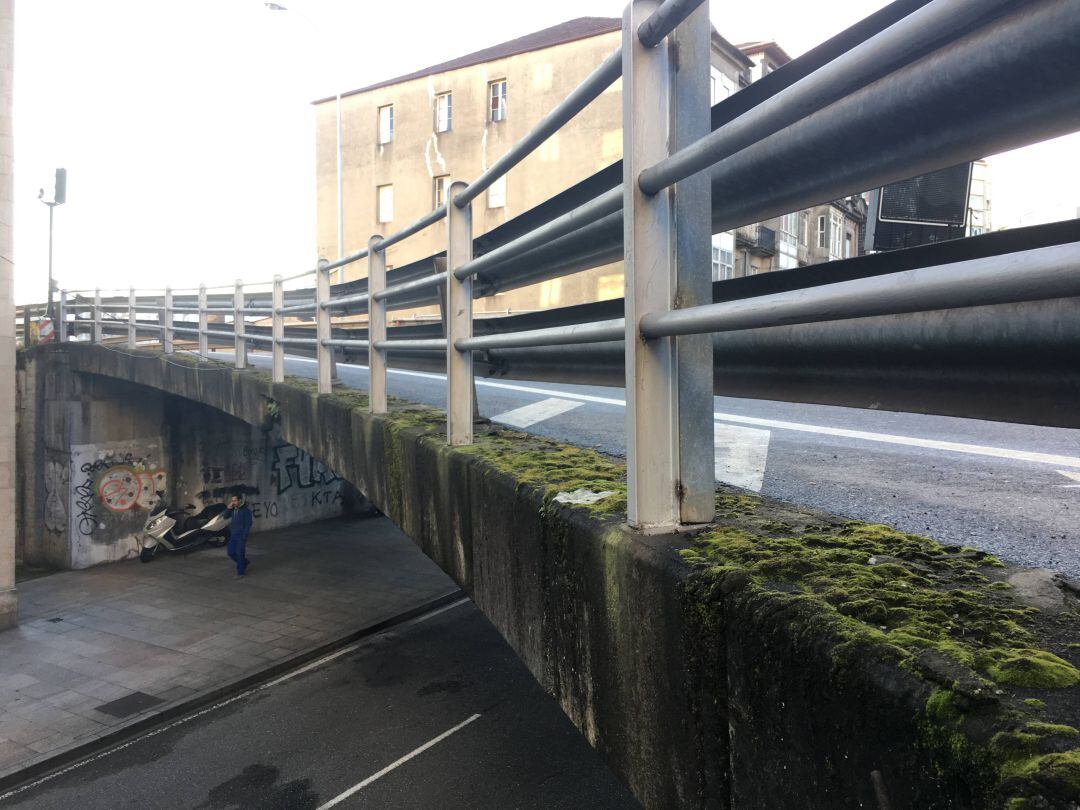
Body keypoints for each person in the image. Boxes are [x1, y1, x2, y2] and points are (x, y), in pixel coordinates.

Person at [225, 494, 253, 578]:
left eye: (235, 500)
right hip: (233, 534)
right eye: (232, 500)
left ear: (240, 500)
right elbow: (225, 516)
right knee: (230, 552)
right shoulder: (233, 509)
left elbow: (248, 524)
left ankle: (241, 572)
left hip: (241, 535)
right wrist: (228, 508)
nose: (233, 502)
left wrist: (244, 536)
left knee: (239, 553)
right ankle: (244, 562)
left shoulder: (246, 511)